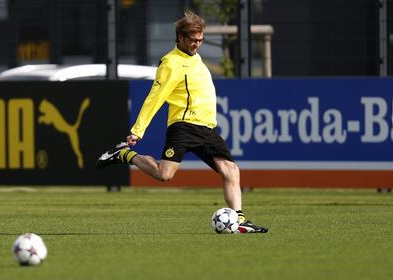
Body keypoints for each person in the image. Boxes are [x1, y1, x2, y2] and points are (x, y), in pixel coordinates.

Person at [96, 10, 267, 234]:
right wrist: (138, 131)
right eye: (193, 40)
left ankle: (240, 220)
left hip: (206, 129)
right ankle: (124, 154)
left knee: (231, 170)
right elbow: (155, 98)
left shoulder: (194, 57)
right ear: (180, 38)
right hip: (184, 127)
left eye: (201, 40)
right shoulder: (171, 63)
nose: (197, 44)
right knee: (164, 174)